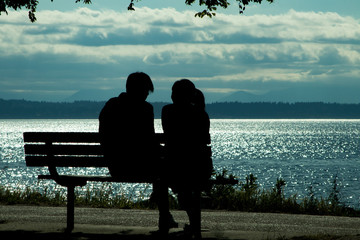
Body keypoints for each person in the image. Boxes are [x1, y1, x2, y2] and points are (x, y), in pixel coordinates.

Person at [98, 72, 176, 233]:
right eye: (147, 90)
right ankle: (164, 213)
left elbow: (104, 137)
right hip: (139, 166)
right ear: (141, 90)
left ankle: (161, 202)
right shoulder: (145, 109)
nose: (147, 94)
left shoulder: (111, 105)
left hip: (116, 166)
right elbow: (150, 141)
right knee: (165, 167)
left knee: (160, 167)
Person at [161, 79, 213, 239]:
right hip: (199, 167)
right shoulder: (201, 114)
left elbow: (169, 136)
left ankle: (168, 217)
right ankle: (194, 226)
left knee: (170, 180)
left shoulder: (167, 111)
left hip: (175, 166)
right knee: (185, 188)